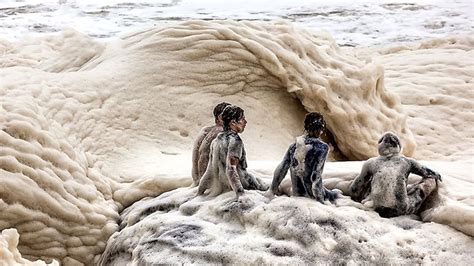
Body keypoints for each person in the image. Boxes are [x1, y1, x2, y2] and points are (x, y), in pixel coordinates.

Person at [350, 132, 442, 218]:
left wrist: (357, 199)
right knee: (430, 181)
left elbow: (355, 189)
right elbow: (429, 173)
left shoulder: (370, 163)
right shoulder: (407, 162)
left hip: (377, 209)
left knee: (368, 182)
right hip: (400, 210)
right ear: (398, 146)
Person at [197, 105, 268, 199]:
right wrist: (241, 194)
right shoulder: (235, 141)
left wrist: (199, 193)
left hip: (225, 188)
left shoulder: (216, 140)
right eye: (242, 119)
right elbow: (231, 169)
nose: (245, 122)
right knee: (274, 192)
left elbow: (209, 171)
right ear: (233, 122)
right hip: (242, 185)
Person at [270, 112, 339, 203]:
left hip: (297, 196)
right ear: (320, 128)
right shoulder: (322, 147)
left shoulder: (294, 146)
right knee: (337, 195)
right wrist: (320, 201)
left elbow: (282, 168)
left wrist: (273, 189)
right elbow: (315, 176)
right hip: (313, 197)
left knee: (335, 194)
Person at [191, 102, 231, 186]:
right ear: (218, 118)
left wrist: (198, 181)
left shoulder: (205, 130)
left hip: (199, 182)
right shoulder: (223, 133)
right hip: (211, 185)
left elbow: (196, 158)